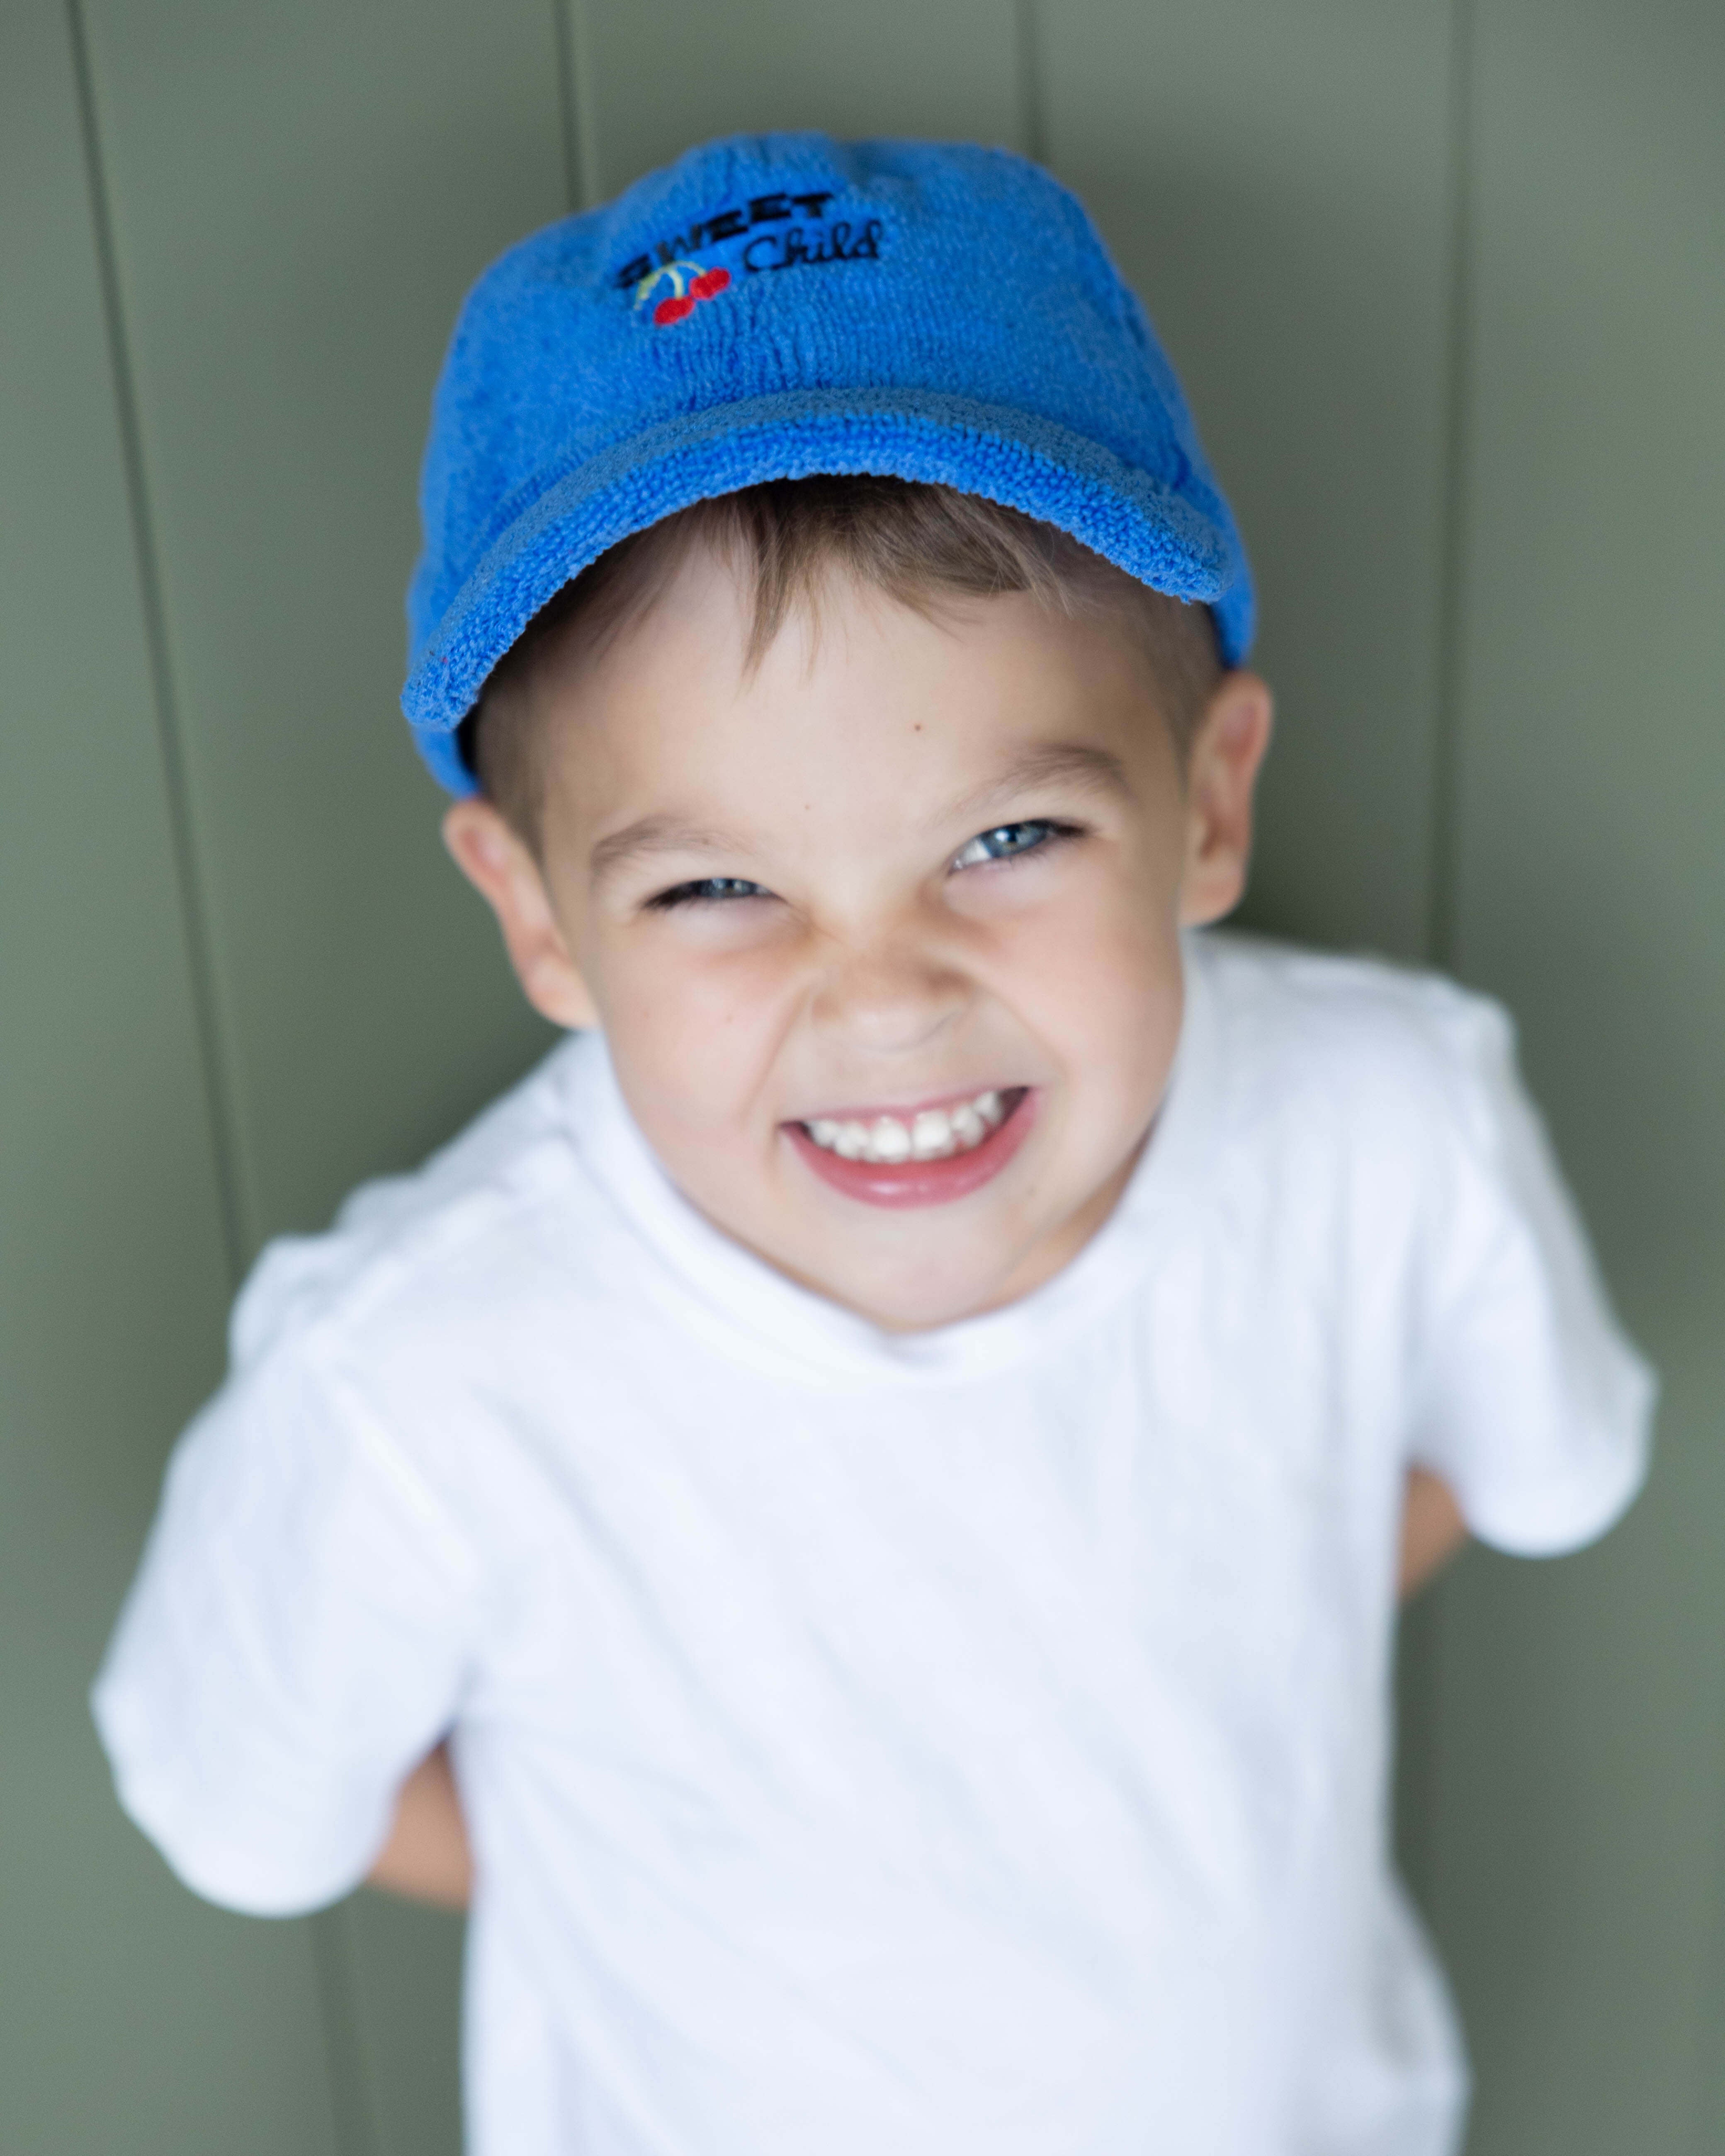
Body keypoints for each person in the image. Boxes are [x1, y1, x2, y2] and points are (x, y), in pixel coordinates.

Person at [92, 134, 1652, 2155]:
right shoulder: (417, 1379)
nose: (884, 995)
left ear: (1206, 799)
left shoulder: (1389, 1132)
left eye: (1005, 839)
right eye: (715, 888)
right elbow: (252, 1802)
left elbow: (1509, 1463)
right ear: (538, 917)